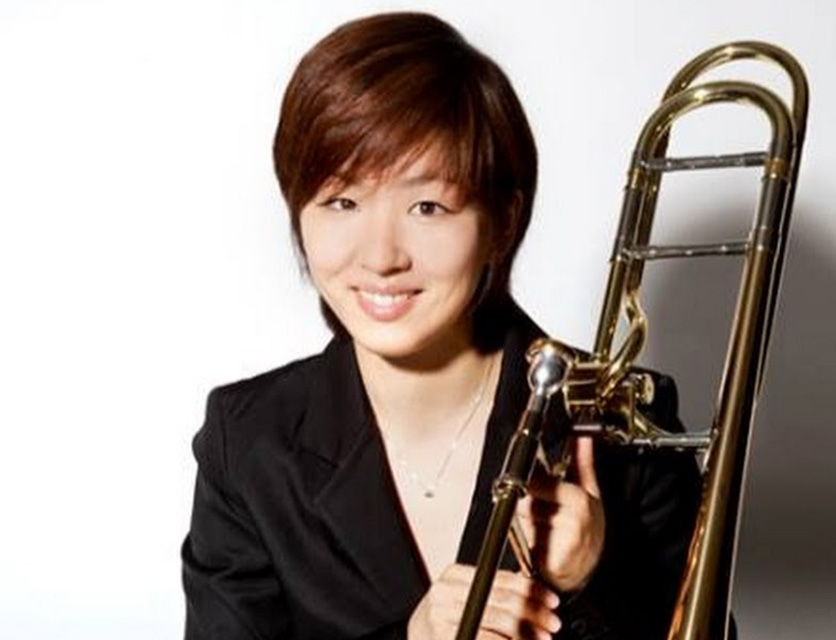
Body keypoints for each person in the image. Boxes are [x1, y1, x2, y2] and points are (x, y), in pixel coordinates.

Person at [181, 12, 701, 640]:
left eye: (428, 206)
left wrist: (598, 576)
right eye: (341, 202)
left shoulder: (622, 423)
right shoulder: (250, 443)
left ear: (502, 221)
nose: (380, 256)